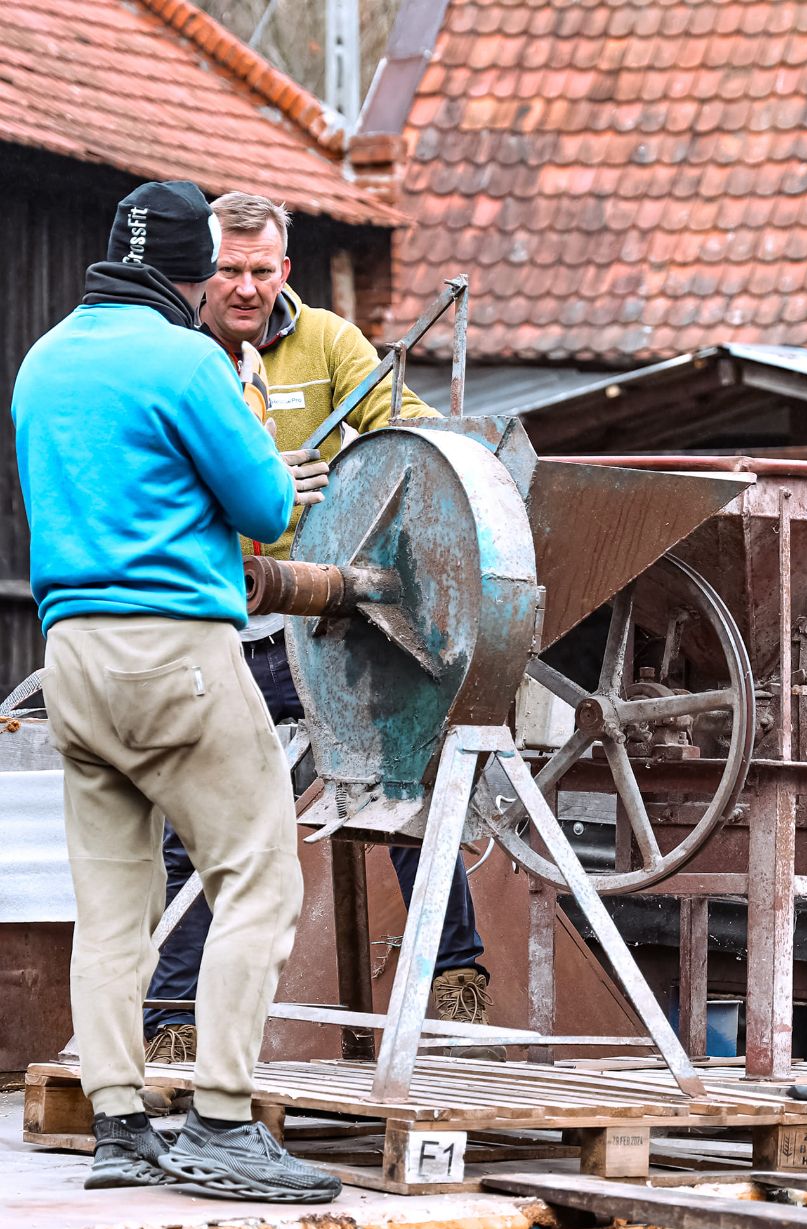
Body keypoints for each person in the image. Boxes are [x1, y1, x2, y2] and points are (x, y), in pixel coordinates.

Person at [13, 180, 341, 1204]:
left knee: (113, 904)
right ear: (191, 273)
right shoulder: (188, 358)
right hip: (176, 653)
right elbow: (263, 504)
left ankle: (120, 1122)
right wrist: (266, 454)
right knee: (258, 874)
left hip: (70, 657)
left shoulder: (42, 360)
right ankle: (221, 1120)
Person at [142, 191, 501, 1105]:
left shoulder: (334, 348)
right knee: (197, 822)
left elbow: (412, 432)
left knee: (407, 790)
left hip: (335, 625)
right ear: (202, 268)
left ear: (286, 270)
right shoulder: (178, 359)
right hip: (223, 621)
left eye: (263, 271)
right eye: (229, 270)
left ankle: (452, 986)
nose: (247, 288)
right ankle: (172, 1015)